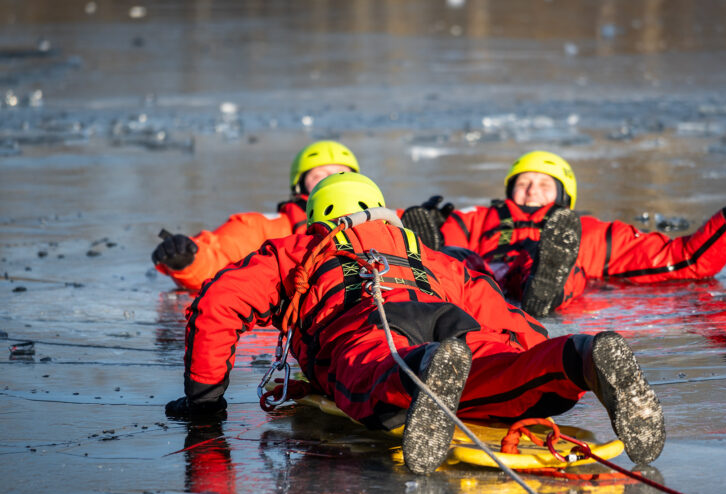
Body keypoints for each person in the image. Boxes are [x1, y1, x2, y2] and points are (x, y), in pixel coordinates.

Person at [166, 172, 666, 474]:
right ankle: (577, 359)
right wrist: (539, 344)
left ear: (319, 214)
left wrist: (205, 404)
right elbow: (504, 315)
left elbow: (216, 305)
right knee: (499, 365)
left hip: (368, 324)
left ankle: (426, 370)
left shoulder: (298, 248)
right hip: (451, 315)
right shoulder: (427, 254)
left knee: (376, 376)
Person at [401, 150, 726, 317]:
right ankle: (426, 262)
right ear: (508, 188)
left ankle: (545, 286)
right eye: (523, 183)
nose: (531, 191)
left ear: (564, 195)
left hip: (541, 276)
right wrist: (417, 222)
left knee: (558, 262)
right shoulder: (476, 219)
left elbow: (682, 259)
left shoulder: (587, 232)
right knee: (455, 259)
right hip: (481, 275)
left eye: (544, 184)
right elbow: (387, 224)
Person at [151, 140, 360, 291]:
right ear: (299, 186)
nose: (330, 181)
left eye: (340, 173)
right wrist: (187, 258)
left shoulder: (385, 222)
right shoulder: (263, 228)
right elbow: (217, 260)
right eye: (319, 176)